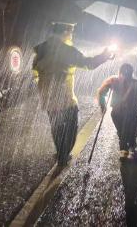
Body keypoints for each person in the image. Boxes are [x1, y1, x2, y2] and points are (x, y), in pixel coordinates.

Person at [33, 22, 113, 166]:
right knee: (71, 128)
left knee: (56, 127)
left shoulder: (41, 49)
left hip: (48, 98)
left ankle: (61, 153)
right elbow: (88, 64)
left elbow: (35, 72)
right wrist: (105, 56)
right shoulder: (66, 51)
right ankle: (64, 155)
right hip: (65, 98)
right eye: (71, 31)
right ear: (65, 32)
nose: (72, 34)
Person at [97, 63, 137, 161]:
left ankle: (123, 154)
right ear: (132, 73)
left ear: (120, 72)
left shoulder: (113, 81)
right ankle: (132, 152)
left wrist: (103, 107)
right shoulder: (136, 83)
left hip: (116, 113)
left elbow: (101, 93)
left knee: (121, 133)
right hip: (131, 113)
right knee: (132, 133)